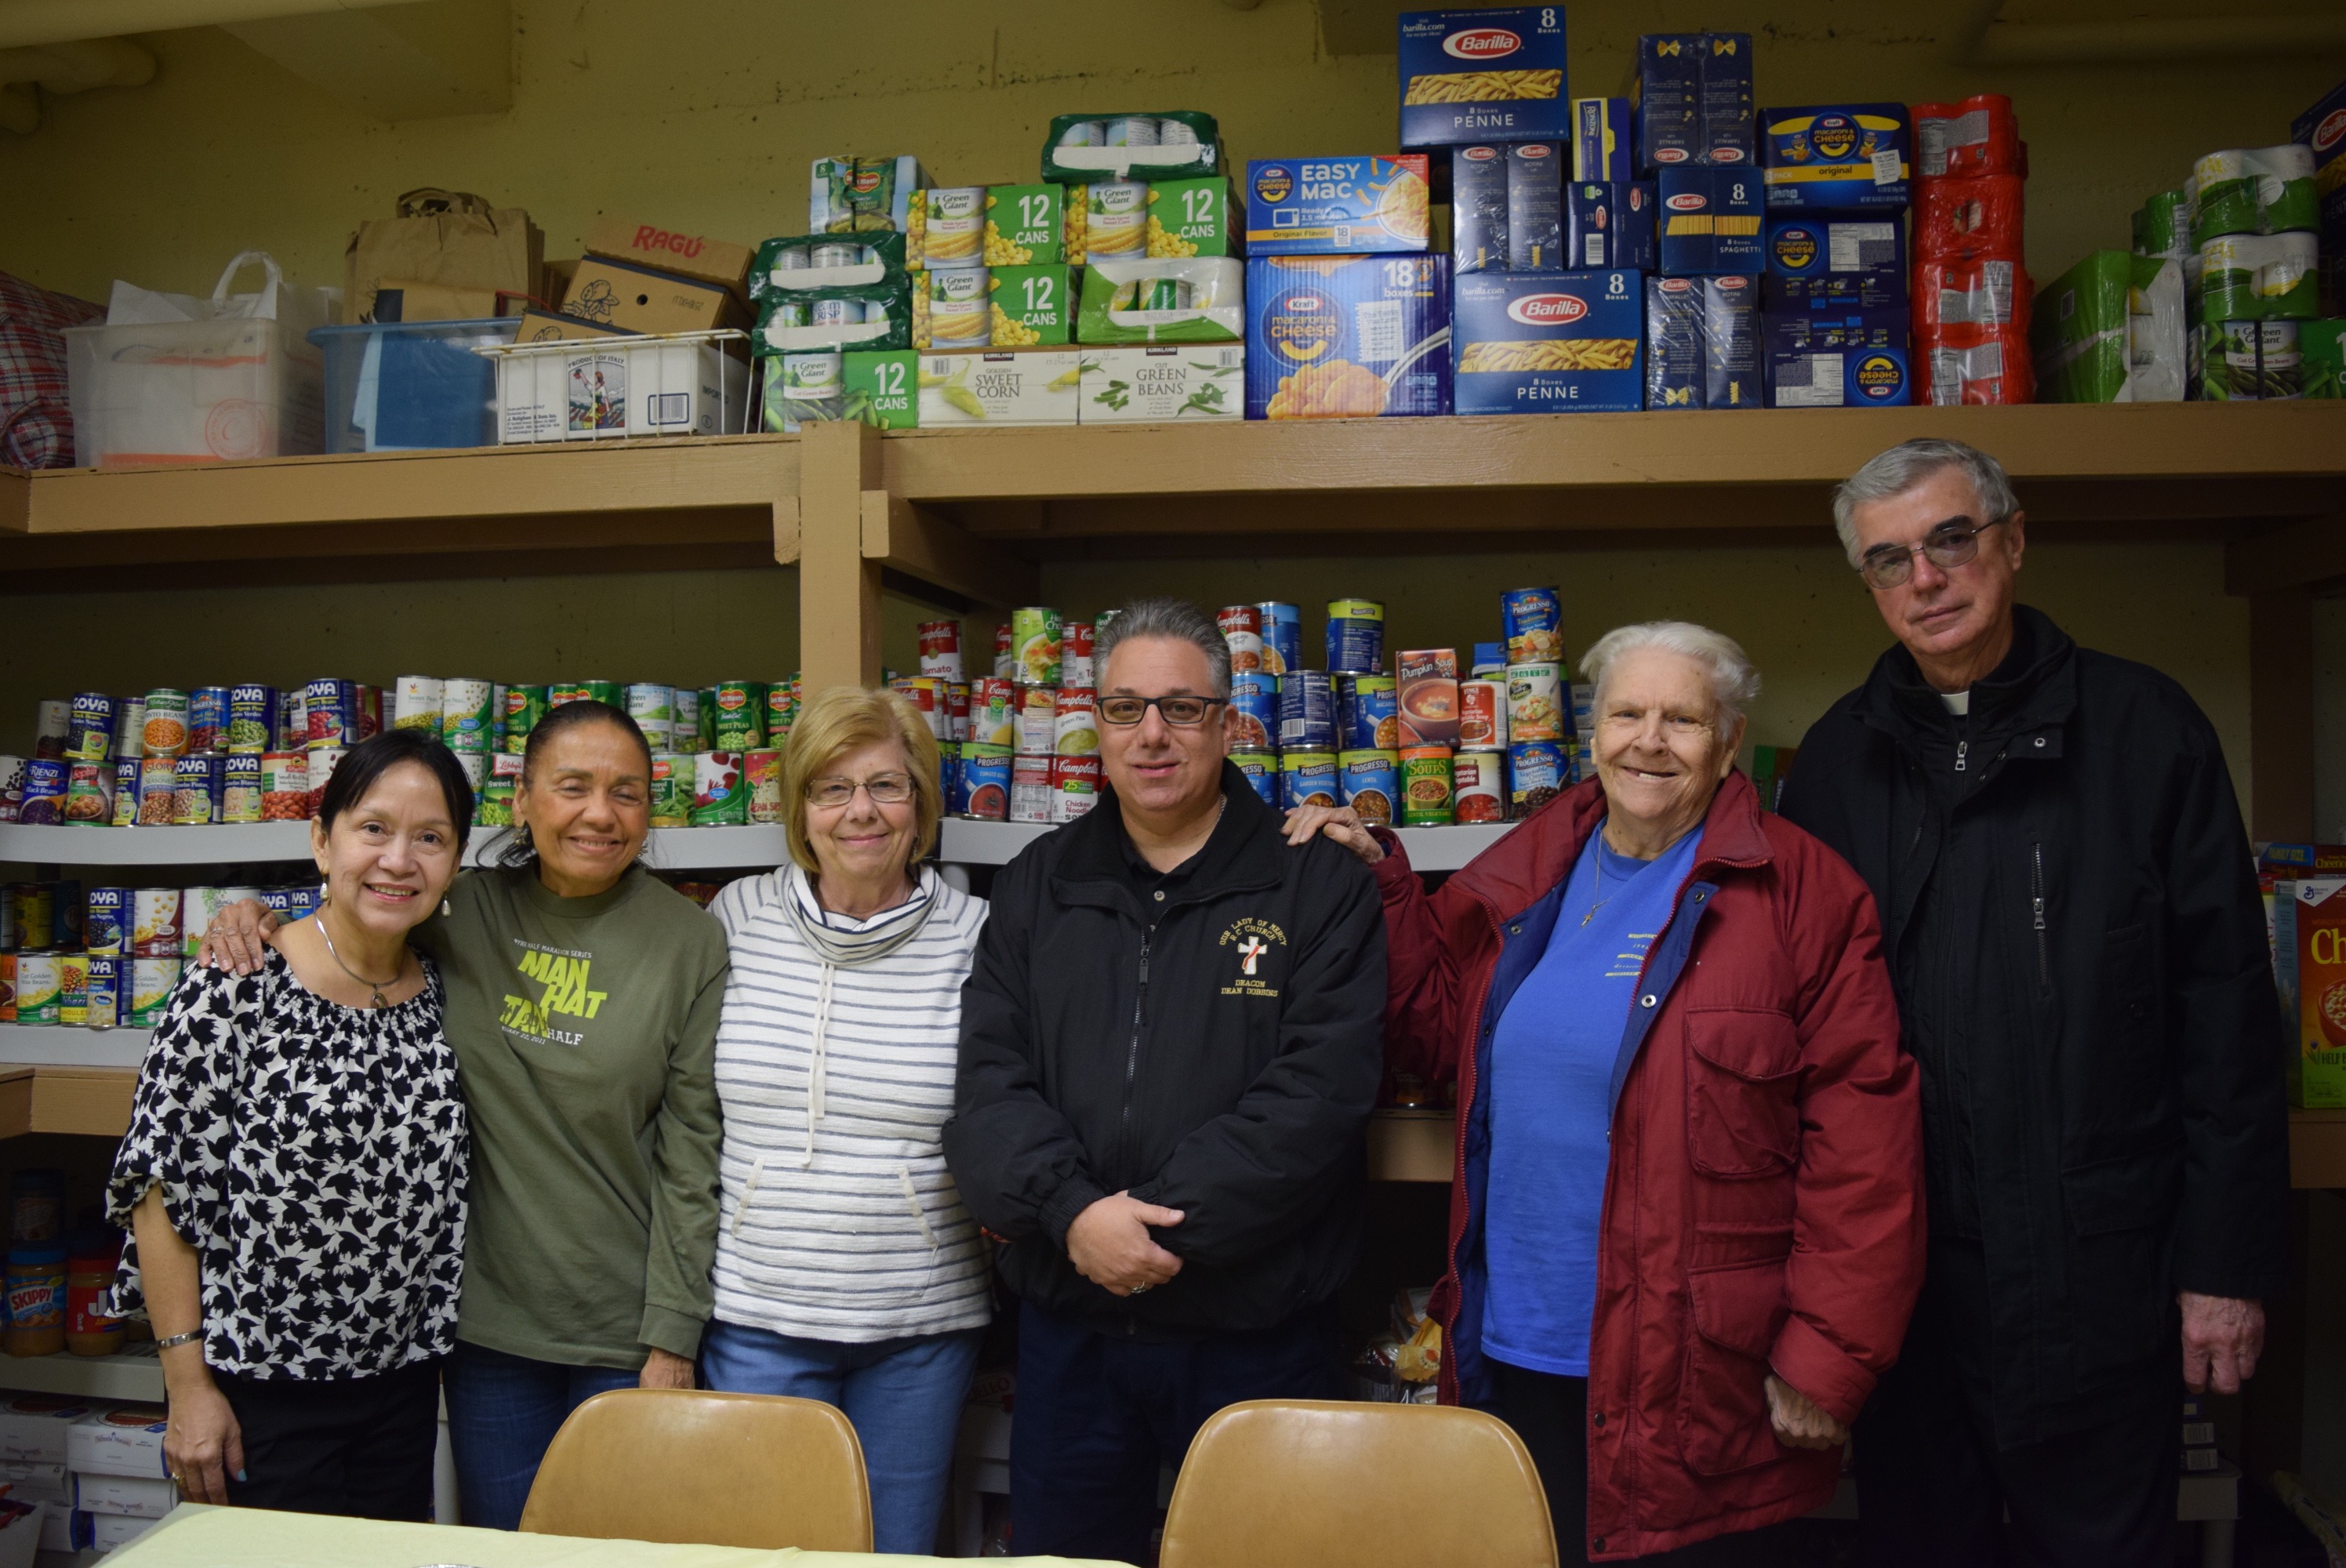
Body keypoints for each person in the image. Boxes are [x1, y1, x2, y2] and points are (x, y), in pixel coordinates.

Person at [1289, 621, 1926, 1564]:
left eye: (1683, 718)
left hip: (1699, 1373)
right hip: (1519, 1348)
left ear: (1730, 734)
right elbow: (1435, 1035)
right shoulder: (1531, 865)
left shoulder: (1804, 893)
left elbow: (1866, 1146)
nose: (1650, 739)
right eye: (1628, 712)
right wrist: (1380, 882)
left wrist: (1830, 1357)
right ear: (1591, 728)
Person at [1776, 438, 2290, 1568]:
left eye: (1951, 540)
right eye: (1889, 559)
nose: (1926, 578)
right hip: (1902, 1292)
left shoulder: (2149, 736)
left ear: (2013, 541)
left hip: (2101, 1281)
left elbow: (2229, 1027)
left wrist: (2226, 1268)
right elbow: (1794, 1030)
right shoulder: (1832, 769)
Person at [198, 699, 728, 1529]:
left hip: (625, 1327)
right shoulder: (462, 912)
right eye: (573, 786)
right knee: (502, 1545)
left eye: (627, 791)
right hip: (485, 1332)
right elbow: (360, 907)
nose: (600, 812)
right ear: (522, 800)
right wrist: (254, 917)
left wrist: (673, 1336)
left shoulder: (688, 940)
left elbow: (694, 1149)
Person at [945, 597, 1387, 1566]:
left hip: (1254, 1331)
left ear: (1229, 724)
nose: (1151, 733)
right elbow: (988, 1087)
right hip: (1072, 1338)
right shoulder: (1035, 883)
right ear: (1093, 724)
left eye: (1182, 708)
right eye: (1124, 707)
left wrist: (1146, 1226)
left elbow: (1317, 1097)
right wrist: (1073, 1217)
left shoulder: (1316, 884)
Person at [107, 729, 474, 1519]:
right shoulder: (237, 982)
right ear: (322, 838)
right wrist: (187, 1385)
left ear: (454, 862)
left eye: (431, 837)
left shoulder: (446, 988)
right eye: (372, 827)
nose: (398, 858)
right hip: (259, 1393)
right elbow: (159, 1186)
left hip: (405, 1386)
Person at [699, 687, 990, 1555]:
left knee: (892, 1552)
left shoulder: (979, 935)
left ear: (922, 803)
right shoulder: (734, 918)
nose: (860, 811)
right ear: (799, 809)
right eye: (831, 788)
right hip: (757, 1316)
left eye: (886, 786)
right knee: (768, 1552)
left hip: (919, 1328)